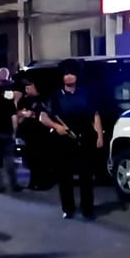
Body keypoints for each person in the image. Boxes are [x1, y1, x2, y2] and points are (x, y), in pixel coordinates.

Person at [40, 59, 102, 220]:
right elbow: (43, 117)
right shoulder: (55, 96)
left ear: (77, 76)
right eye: (66, 74)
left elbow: (95, 115)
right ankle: (68, 208)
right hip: (64, 141)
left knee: (86, 177)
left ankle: (87, 209)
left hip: (85, 138)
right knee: (65, 176)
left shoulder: (86, 93)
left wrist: (99, 136)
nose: (68, 77)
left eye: (72, 74)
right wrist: (57, 126)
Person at [16, 77, 55, 190]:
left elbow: (48, 112)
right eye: (26, 87)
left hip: (42, 133)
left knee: (42, 158)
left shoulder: (44, 99)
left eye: (30, 86)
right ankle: (33, 181)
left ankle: (44, 182)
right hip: (28, 134)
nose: (27, 89)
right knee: (31, 159)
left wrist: (34, 114)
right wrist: (23, 114)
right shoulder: (24, 100)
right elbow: (18, 112)